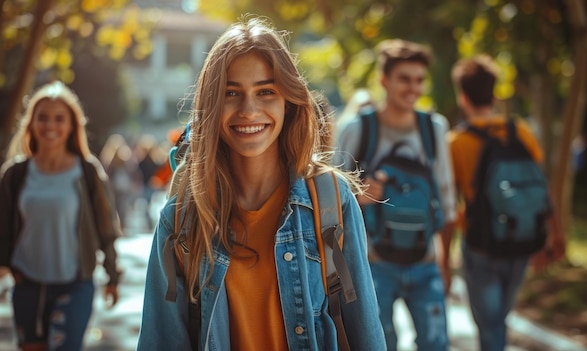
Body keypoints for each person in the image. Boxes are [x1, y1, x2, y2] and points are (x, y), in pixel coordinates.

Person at [137, 16, 385, 351]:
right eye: (231, 93)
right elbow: (161, 341)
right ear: (211, 105)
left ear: (289, 100)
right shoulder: (181, 221)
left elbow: (365, 333)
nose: (249, 110)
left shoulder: (330, 201)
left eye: (266, 91)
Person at [334, 39, 457, 351]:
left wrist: (446, 263)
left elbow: (445, 197)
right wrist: (356, 193)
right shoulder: (357, 129)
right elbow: (329, 194)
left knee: (436, 344)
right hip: (373, 263)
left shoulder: (434, 129)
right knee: (379, 345)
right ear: (384, 80)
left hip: (424, 261)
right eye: (404, 79)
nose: (413, 88)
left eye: (419, 80)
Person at [446, 54, 566, 351]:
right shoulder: (520, 131)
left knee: (490, 327)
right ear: (495, 94)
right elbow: (539, 188)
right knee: (500, 320)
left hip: (480, 245)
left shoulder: (456, 142)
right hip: (521, 238)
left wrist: (445, 256)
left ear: (462, 96)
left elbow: (450, 204)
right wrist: (554, 233)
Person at [0, 80, 123, 351]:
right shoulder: (15, 174)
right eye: (42, 117)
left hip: (74, 284)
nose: (50, 125)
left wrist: (113, 277)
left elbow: (107, 229)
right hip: (27, 283)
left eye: (59, 118)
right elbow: (3, 227)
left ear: (71, 125)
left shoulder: (87, 172)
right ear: (31, 123)